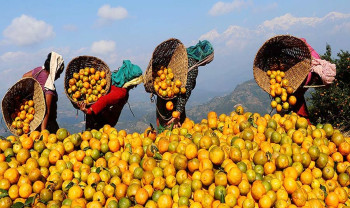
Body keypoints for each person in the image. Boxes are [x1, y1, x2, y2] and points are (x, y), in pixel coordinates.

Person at [156, 40, 214, 128]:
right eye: (207, 61)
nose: (206, 64)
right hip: (173, 105)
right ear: (204, 58)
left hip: (162, 96)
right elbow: (185, 92)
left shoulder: (183, 56)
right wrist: (177, 113)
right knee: (172, 133)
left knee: (162, 130)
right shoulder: (193, 68)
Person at [78, 60, 143, 130]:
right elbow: (104, 100)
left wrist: (89, 110)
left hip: (101, 117)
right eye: (135, 84)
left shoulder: (115, 80)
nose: (135, 86)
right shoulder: (121, 92)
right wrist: (89, 111)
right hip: (102, 120)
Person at [292, 38, 336, 121]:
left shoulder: (317, 59)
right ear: (318, 77)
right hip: (292, 68)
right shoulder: (308, 77)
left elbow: (303, 40)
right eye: (319, 81)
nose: (316, 82)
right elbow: (297, 93)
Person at [22, 52, 64, 133]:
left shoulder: (39, 70)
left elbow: (24, 76)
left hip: (31, 122)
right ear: (54, 71)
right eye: (58, 73)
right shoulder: (49, 87)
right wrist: (43, 132)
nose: (59, 76)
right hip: (47, 124)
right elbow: (46, 112)